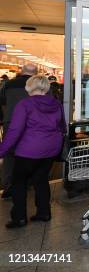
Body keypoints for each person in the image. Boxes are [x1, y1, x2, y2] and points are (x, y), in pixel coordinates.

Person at [0, 75, 65, 228]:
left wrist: (2, 151)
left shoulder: (25, 104)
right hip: (51, 149)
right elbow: (62, 127)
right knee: (41, 179)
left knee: (19, 182)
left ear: (29, 87)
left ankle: (19, 218)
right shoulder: (56, 103)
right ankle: (44, 213)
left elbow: (15, 131)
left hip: (29, 150)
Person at [0, 64, 37, 200]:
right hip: (31, 123)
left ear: (21, 72)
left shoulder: (9, 84)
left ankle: (8, 186)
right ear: (36, 73)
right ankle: (26, 183)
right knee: (29, 153)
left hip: (11, 122)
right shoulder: (38, 85)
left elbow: (2, 101)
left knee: (10, 154)